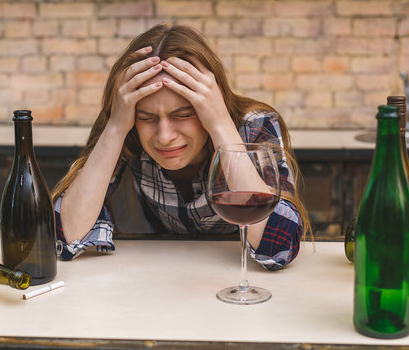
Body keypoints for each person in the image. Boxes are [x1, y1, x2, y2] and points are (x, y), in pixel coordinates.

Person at [52, 24, 311, 270]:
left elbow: (280, 247)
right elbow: (66, 238)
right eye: (147, 117)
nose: (164, 136)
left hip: (237, 278)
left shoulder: (255, 126)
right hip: (164, 278)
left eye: (184, 113)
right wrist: (116, 127)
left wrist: (220, 124)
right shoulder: (125, 127)